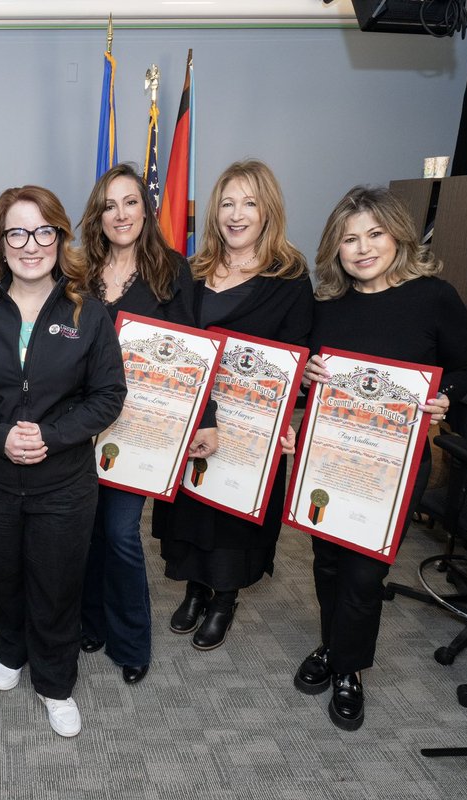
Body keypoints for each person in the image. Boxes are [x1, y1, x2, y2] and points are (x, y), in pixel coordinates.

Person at [0, 185, 126, 738]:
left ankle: (54, 680)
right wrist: (1, 437)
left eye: (43, 231)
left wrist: (50, 435)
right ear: (0, 243)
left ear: (60, 238)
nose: (30, 245)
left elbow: (108, 395)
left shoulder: (88, 313)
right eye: (17, 233)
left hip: (63, 483)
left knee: (56, 583)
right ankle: (14, 650)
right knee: (5, 575)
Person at [297, 186, 467, 731]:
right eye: (349, 239)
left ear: (397, 235)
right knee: (326, 562)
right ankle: (331, 647)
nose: (362, 248)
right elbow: (310, 372)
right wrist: (307, 375)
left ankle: (349, 669)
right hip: (329, 456)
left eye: (374, 234)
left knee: (365, 572)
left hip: (393, 466)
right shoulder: (326, 305)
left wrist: (447, 398)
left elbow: (464, 370)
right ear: (336, 249)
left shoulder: (435, 297)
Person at [152, 160, 312, 651]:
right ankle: (196, 590)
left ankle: (224, 598)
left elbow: (302, 359)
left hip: (250, 429)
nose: (236, 215)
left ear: (268, 212)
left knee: (232, 520)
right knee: (192, 510)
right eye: (226, 203)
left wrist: (290, 418)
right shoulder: (190, 273)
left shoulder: (291, 279)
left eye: (249, 203)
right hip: (195, 421)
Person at [74, 164, 219, 685]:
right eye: (109, 204)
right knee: (86, 530)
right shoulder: (78, 272)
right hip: (80, 422)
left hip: (139, 428)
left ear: (145, 209)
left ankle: (131, 640)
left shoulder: (171, 272)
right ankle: (90, 622)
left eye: (130, 202)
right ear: (98, 214)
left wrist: (208, 419)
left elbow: (195, 352)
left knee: (118, 533)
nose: (120, 214)